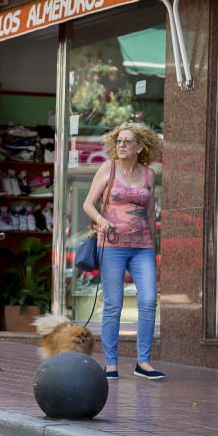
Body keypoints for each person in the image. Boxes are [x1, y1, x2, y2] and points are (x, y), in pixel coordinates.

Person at [82, 123, 163, 381]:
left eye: (128, 141)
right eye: (119, 141)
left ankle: (143, 362)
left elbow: (150, 212)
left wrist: (154, 243)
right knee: (113, 304)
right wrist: (102, 221)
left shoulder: (149, 174)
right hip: (112, 245)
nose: (122, 145)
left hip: (142, 247)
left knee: (149, 301)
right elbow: (88, 204)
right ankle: (111, 363)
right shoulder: (108, 168)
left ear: (140, 147)